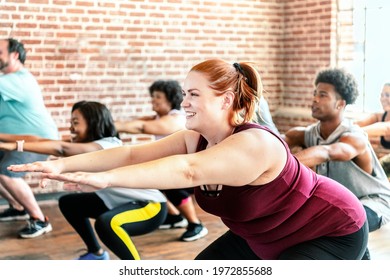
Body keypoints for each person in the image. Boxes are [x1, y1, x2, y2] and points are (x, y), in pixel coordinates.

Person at [9, 59, 369, 260]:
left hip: (329, 230)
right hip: (262, 235)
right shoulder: (195, 138)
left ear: (226, 100)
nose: (185, 103)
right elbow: (133, 152)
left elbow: (188, 169)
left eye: (194, 94)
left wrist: (105, 180)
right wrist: (61, 165)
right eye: (185, 94)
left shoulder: (255, 144)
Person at [1, 101, 167, 260]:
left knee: (106, 224)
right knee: (69, 203)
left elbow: (61, 148)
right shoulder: (86, 145)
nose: (71, 128)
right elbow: (38, 140)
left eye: (75, 122)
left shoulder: (107, 145)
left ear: (93, 123)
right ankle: (96, 254)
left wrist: (15, 146)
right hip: (119, 203)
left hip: (149, 207)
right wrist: (6, 139)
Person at [283, 68, 390, 259]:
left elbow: (327, 151)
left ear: (340, 104)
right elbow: (280, 141)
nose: (315, 99)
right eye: (315, 93)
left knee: (343, 221)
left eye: (322, 95)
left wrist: (282, 165)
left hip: (373, 202)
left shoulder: (354, 137)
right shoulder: (308, 134)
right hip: (338, 206)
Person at [115, 79, 208, 242]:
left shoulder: (176, 118)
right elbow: (135, 122)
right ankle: (175, 217)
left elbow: (141, 127)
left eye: (157, 97)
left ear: (170, 99)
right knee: (150, 181)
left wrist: (109, 126)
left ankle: (196, 224)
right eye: (152, 96)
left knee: (169, 184)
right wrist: (109, 124)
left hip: (191, 171)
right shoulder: (158, 117)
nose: (153, 100)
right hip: (174, 167)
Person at [0, 38, 59, 238]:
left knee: (6, 172)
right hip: (16, 140)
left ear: (14, 55)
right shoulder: (6, 83)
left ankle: (40, 220)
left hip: (38, 141)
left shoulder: (18, 79)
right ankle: (17, 207)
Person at [355, 82, 390, 177]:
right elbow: (358, 124)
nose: (383, 98)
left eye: (387, 95)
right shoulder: (380, 116)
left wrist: (354, 132)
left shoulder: (385, 125)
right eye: (382, 95)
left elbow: (385, 128)